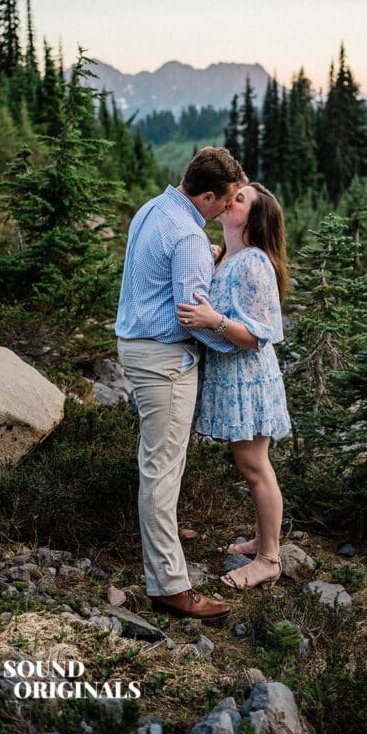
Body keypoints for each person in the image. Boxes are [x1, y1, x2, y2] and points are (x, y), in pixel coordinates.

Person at [116, 146, 255, 620]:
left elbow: (160, 280)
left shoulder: (154, 210)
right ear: (210, 196)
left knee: (158, 460)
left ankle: (165, 533)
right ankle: (170, 585)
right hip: (165, 360)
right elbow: (193, 315)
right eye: (229, 198)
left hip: (136, 347)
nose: (229, 207)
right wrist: (236, 339)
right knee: (160, 465)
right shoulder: (189, 236)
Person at [176, 182, 291, 591]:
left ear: (253, 218)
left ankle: (269, 559)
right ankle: (263, 538)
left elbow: (261, 334)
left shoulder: (255, 261)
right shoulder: (228, 257)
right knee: (251, 466)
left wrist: (215, 322)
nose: (229, 198)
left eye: (240, 198)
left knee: (255, 467)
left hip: (251, 381)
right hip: (233, 379)